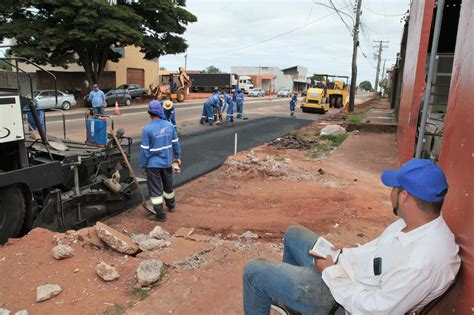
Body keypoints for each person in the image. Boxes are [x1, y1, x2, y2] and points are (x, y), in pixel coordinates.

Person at [243, 159, 460, 315]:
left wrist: (329, 271)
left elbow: (373, 309)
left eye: (394, 188)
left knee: (254, 272)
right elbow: (380, 255)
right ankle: (294, 306)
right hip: (345, 271)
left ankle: (305, 300)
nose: (390, 192)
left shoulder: (422, 263)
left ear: (404, 196)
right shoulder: (416, 223)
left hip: (340, 300)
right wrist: (349, 251)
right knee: (293, 233)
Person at [140, 100, 181, 222]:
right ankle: (171, 206)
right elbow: (176, 144)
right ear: (161, 111)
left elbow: (144, 151)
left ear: (150, 113)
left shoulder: (147, 129)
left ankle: (160, 215)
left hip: (153, 165)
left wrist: (143, 165)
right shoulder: (169, 126)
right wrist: (177, 157)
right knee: (168, 186)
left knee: (155, 190)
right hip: (167, 162)